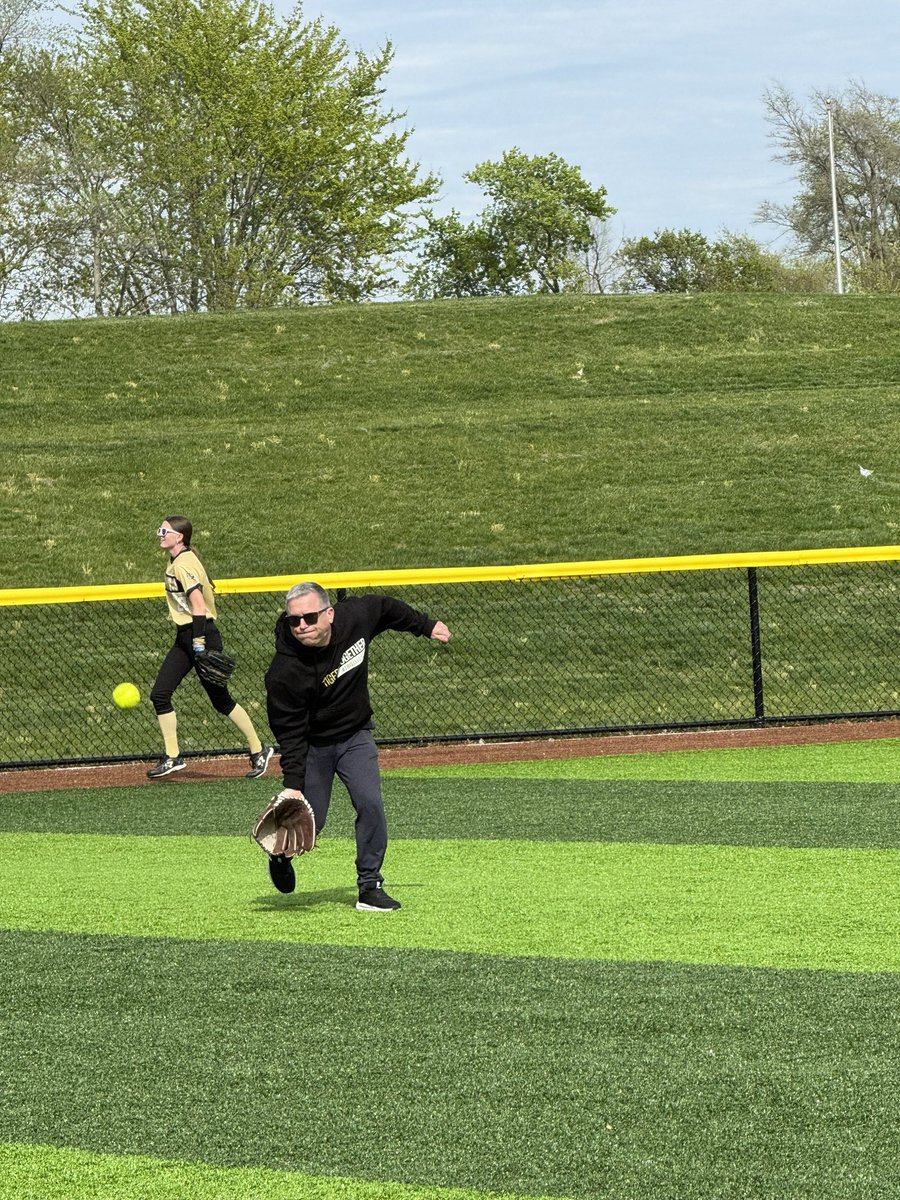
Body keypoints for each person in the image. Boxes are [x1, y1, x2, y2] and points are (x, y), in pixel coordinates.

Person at [264, 581, 451, 911]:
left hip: (355, 735)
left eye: (309, 617)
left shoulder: (355, 618)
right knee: (311, 821)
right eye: (294, 620)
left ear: (330, 613)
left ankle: (369, 886)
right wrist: (292, 787)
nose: (302, 625)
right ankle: (281, 856)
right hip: (313, 748)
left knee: (370, 804)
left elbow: (385, 607)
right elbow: (290, 735)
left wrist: (425, 625)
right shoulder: (284, 672)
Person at [147, 515, 273, 780]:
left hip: (200, 634)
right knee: (160, 694)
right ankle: (173, 757)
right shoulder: (178, 560)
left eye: (164, 531)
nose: (160, 535)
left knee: (220, 699)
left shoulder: (183, 563)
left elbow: (199, 606)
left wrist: (200, 644)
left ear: (178, 537)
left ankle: (259, 750)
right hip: (185, 637)